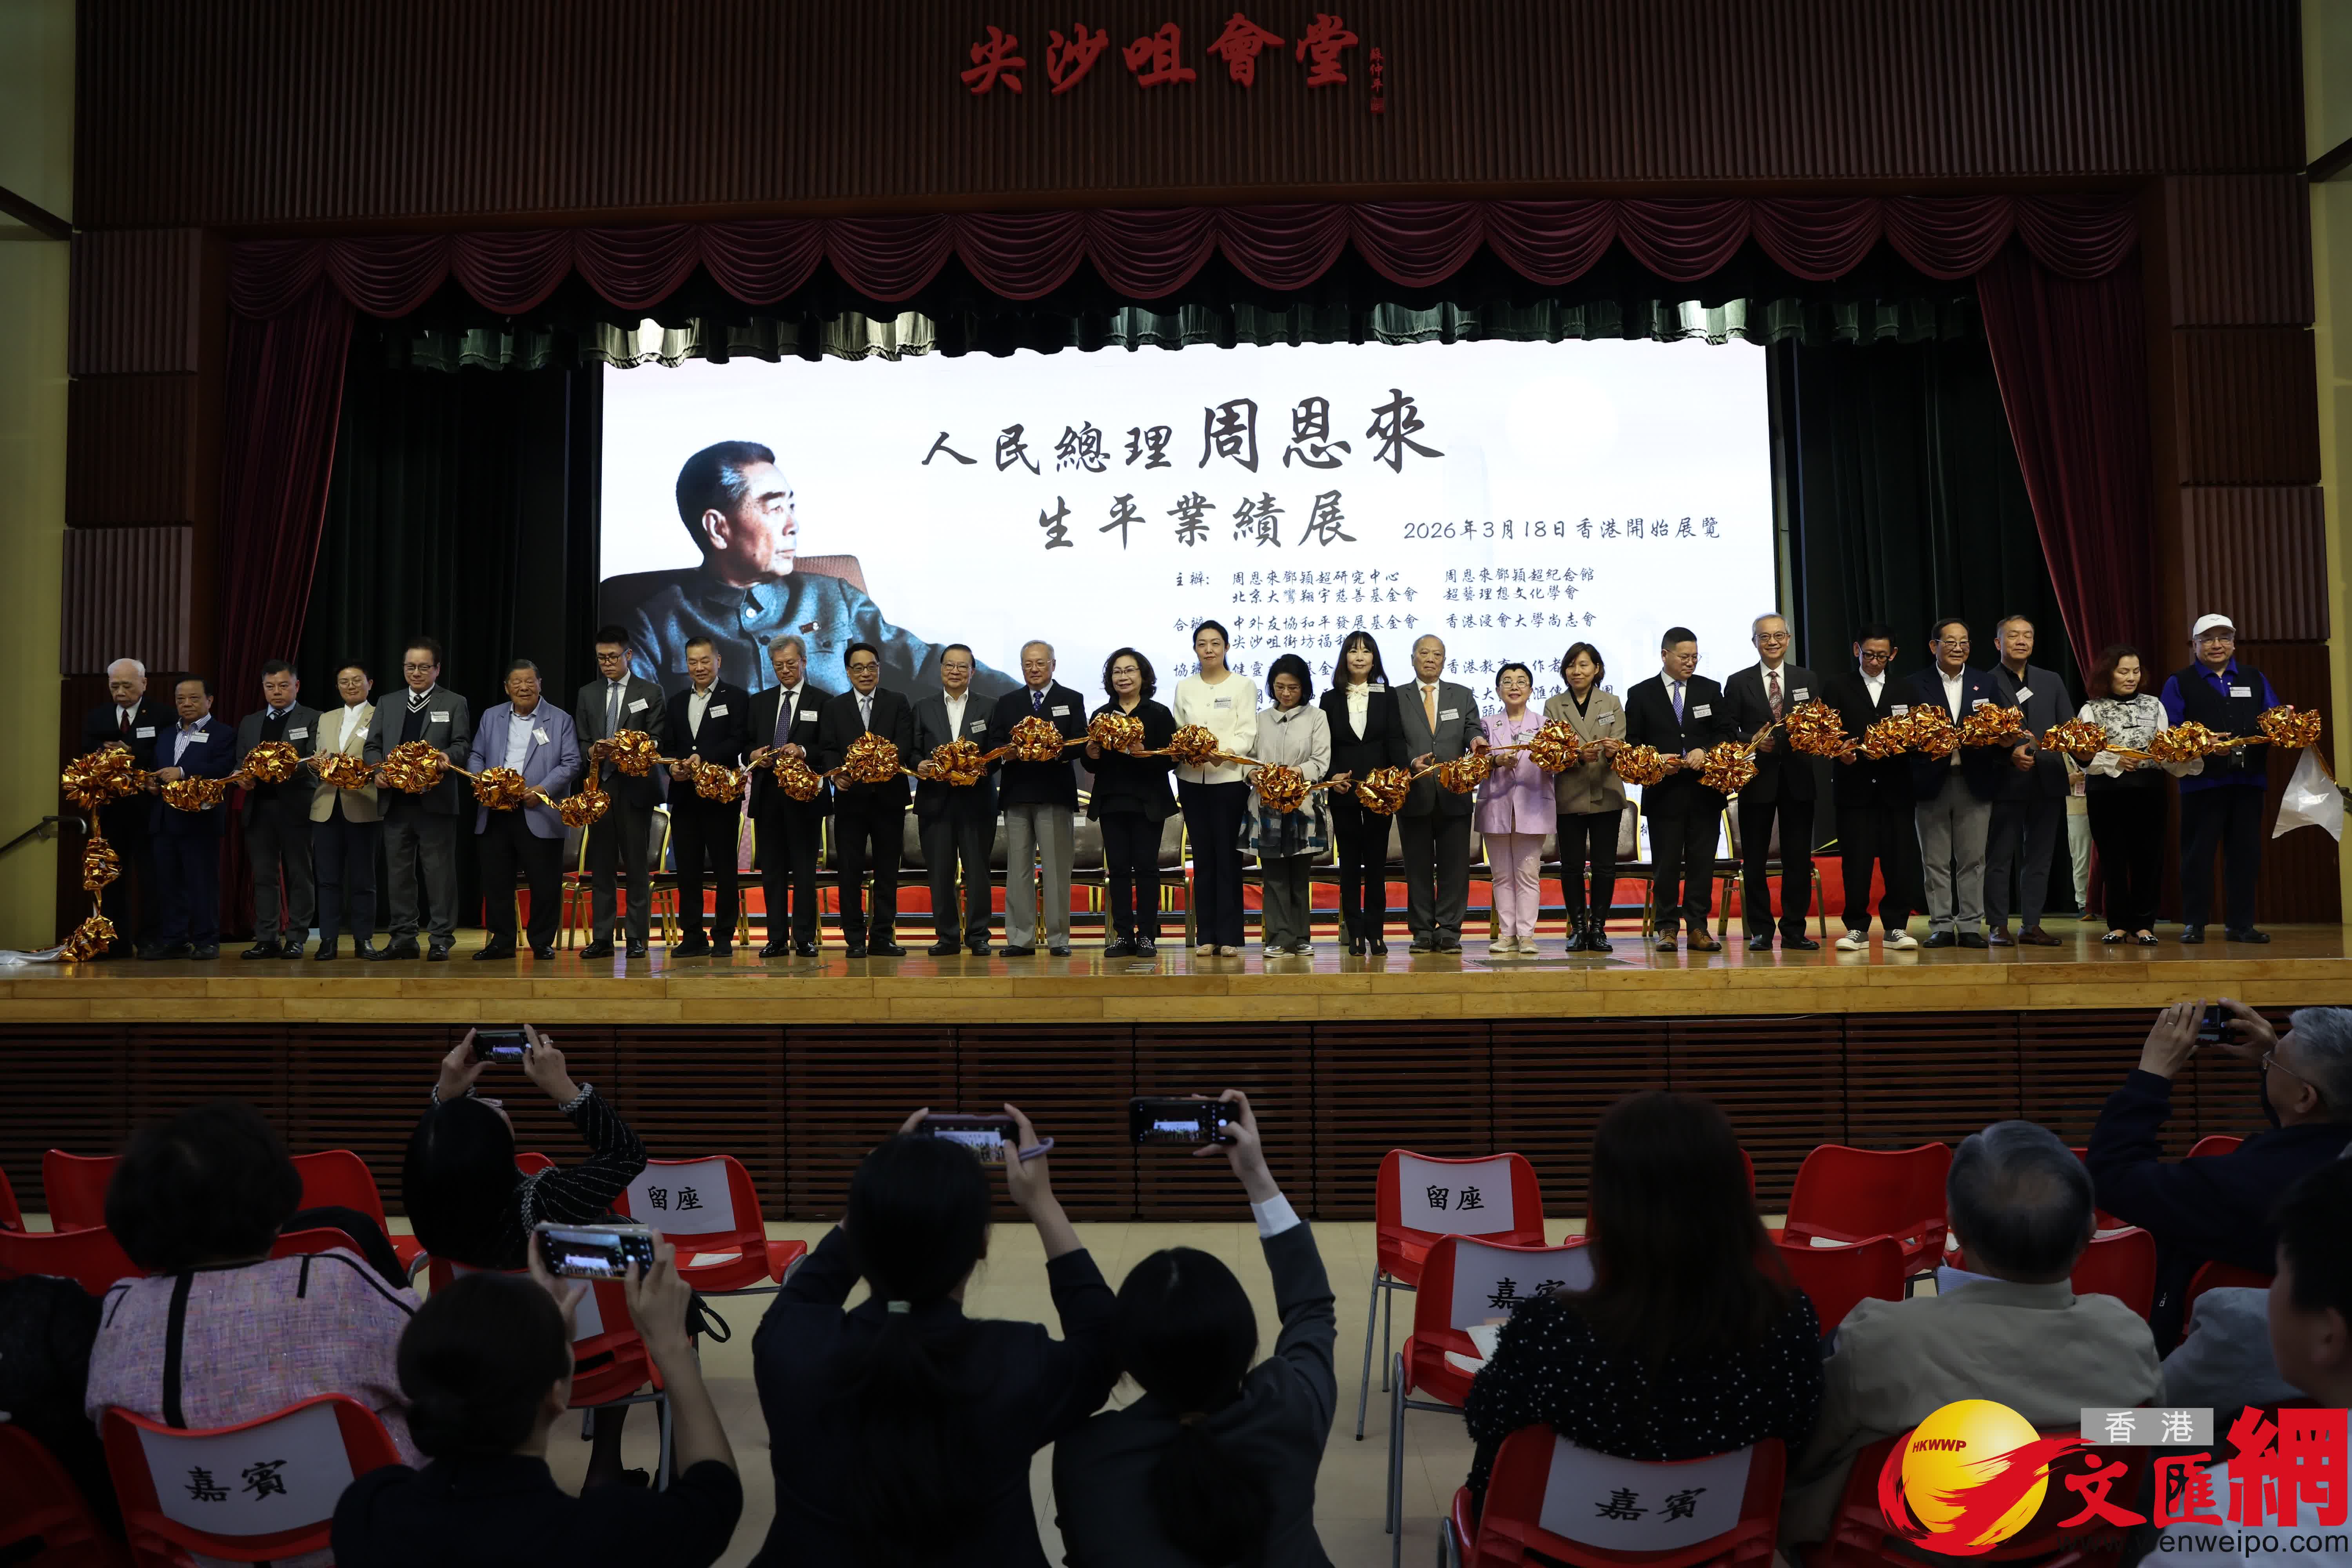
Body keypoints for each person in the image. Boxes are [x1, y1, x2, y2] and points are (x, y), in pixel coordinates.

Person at [747, 1106, 1118, 1568]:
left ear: (860, 1235)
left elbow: (809, 1290)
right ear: (982, 1246)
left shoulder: (790, 1346)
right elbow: (1104, 1344)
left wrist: (880, 1188)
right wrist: (1042, 1202)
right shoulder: (1018, 1362)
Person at [1780, 1120, 2162, 1546]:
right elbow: (2156, 1447)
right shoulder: (2128, 1339)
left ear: (1955, 1228)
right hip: (2069, 1552)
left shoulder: (1879, 1341)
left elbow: (1802, 1459)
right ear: (2089, 1231)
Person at [1461, 1092, 1822, 1519]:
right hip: (1722, 1542)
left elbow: (1485, 1423)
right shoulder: (1788, 1322)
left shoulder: (1548, 1332)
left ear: (1609, 1202)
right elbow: (1796, 1443)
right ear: (1734, 1197)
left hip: (1548, 1545)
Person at [1054, 1092, 1336, 1568]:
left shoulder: (1087, 1455)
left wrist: (1042, 1203)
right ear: (1247, 1344)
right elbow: (1311, 1308)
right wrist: (1257, 1174)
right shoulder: (1289, 1405)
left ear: (1127, 1360)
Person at [333, 1251, 742, 1568]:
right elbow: (716, 1494)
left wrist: (544, 1342)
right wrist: (671, 1347)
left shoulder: (369, 1512)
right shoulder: (609, 1534)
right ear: (556, 1395)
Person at [86, 1100, 422, 1462]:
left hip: (186, 1499)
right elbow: (432, 1371)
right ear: (277, 1207)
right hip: (357, 1494)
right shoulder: (334, 1283)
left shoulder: (121, 1312)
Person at [402, 1027, 651, 1487]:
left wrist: (444, 1099)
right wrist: (564, 1088)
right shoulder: (545, 1202)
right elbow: (626, 1154)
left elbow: (440, 1158)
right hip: (595, 1362)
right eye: (490, 1111)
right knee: (649, 1290)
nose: (497, 1105)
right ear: (495, 1151)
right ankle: (606, 1469)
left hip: (487, 1363)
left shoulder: (432, 1215)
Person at [604, 440, 1014, 698]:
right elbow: (638, 730)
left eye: (792, 506)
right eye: (774, 508)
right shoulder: (655, 625)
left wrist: (1024, 702)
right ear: (718, 528)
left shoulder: (833, 598)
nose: (793, 525)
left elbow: (924, 662)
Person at [2087, 999, 2352, 1347]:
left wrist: (2152, 1073)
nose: (2267, 1062)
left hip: (2240, 1364)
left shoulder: (2244, 1187)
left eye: (2274, 1061)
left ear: (2305, 1097)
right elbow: (2308, 1139)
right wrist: (2274, 1061)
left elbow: (2114, 1175)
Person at [2160, 613, 2281, 944]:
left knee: (2245, 855)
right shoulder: (2179, 681)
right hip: (2202, 782)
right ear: (2195, 645)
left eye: (2224, 638)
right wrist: (2201, 743)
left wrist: (2286, 725)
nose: (2217, 645)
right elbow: (2169, 731)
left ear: (2234, 643)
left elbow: (2273, 719)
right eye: (2208, 639)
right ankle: (2195, 923)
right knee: (2197, 855)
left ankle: (2241, 925)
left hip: (2248, 780)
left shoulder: (2254, 677)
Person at [1622, 627, 1734, 952]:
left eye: (1695, 657)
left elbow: (1727, 733)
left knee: (1702, 864)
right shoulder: (1641, 693)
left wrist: (1706, 752)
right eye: (1684, 657)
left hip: (1704, 793)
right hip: (1664, 794)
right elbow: (1632, 742)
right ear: (1665, 655)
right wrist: (1657, 760)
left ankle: (1698, 928)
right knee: (1666, 865)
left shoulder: (1710, 689)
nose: (1690, 663)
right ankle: (1667, 928)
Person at [364, 637, 473, 962]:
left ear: (437, 669)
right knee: (399, 876)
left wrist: (448, 756)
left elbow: (463, 745)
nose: (416, 673)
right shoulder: (388, 702)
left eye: (424, 667)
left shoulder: (453, 702)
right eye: (410, 667)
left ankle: (440, 939)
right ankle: (403, 939)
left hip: (436, 803)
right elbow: (373, 746)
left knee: (439, 875)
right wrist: (377, 772)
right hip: (396, 803)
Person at [2082, 643, 2198, 946]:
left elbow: (2165, 749)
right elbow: (2084, 757)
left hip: (2149, 791)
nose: (2131, 677)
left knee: (2149, 858)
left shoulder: (2154, 705)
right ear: (2109, 674)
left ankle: (2145, 924)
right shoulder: (2092, 708)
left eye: (2135, 671)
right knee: (2113, 860)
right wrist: (2115, 761)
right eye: (2124, 672)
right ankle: (2119, 924)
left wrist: (2187, 753)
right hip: (2106, 793)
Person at [466, 660, 582, 960]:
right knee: (497, 880)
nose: (524, 688)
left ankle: (542, 941)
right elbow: (476, 754)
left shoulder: (560, 719)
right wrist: (483, 781)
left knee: (545, 883)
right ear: (507, 688)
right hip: (495, 810)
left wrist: (542, 790)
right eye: (517, 683)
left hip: (538, 810)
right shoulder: (491, 716)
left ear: (540, 684)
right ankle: (502, 941)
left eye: (530, 681)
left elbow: (572, 763)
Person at [1721, 613, 1820, 951]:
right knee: (1755, 861)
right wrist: (1751, 740)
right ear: (1755, 642)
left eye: (1779, 636)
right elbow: (1728, 730)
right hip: (1757, 781)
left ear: (1788, 639)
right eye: (1765, 637)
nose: (1772, 642)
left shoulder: (1807, 678)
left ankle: (1794, 930)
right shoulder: (1739, 681)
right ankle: (1761, 930)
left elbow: (1819, 724)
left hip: (1798, 780)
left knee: (1798, 860)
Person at [815, 639, 919, 958]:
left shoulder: (897, 702)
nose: (865, 673)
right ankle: (855, 939)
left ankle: (883, 937)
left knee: (888, 872)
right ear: (848, 672)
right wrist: (837, 774)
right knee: (849, 871)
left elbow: (905, 743)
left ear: (879, 669)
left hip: (889, 799)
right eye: (858, 668)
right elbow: (827, 749)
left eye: (871, 667)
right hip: (851, 800)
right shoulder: (835, 707)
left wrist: (881, 764)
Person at [1819, 625, 1920, 951]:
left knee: (1899, 861)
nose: (1875, 662)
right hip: (1855, 787)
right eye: (1869, 655)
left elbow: (1919, 737)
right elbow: (1825, 733)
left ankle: (1896, 927)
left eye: (1882, 656)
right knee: (1856, 861)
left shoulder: (1906, 689)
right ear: (1856, 650)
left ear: (1893, 655)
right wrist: (1839, 750)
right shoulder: (1837, 686)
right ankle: (1856, 928)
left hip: (1896, 788)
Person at [1906, 618, 2005, 949]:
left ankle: (1970, 925)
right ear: (1934, 646)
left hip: (1974, 780)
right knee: (1934, 861)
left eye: (1964, 642)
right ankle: (1942, 926)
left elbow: (2000, 727)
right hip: (1930, 781)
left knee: (1973, 860)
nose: (1958, 648)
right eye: (1950, 642)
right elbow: (1903, 734)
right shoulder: (1914, 684)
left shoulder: (1985, 682)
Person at [574, 625, 668, 960]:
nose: (607, 664)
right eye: (602, 658)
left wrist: (630, 749)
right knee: (602, 866)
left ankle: (636, 938)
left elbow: (657, 739)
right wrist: (592, 752)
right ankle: (602, 938)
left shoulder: (651, 691)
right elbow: (581, 740)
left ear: (628, 655)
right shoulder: (588, 693)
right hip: (600, 787)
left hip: (635, 787)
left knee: (636, 867)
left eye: (613, 657)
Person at [989, 641, 1088, 957]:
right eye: (1028, 664)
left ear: (1053, 665)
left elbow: (1081, 740)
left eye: (1041, 663)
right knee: (1018, 870)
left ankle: (1058, 939)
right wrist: (1008, 752)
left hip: (1055, 793)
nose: (1034, 669)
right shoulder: (1007, 701)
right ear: (1022, 667)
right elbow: (995, 741)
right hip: (1017, 794)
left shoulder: (1071, 698)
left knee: (1057, 869)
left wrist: (1054, 749)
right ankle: (1020, 939)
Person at [1983, 615, 2074, 947]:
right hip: (2005, 780)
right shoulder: (1985, 682)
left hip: (2048, 777)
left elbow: (2068, 727)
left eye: (2028, 636)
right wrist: (2009, 754)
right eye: (2013, 636)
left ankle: (2031, 924)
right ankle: (1998, 925)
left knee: (2040, 857)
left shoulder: (2051, 680)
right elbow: (1980, 736)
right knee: (1999, 858)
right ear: (1998, 643)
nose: (2021, 641)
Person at [657, 634, 750, 957]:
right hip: (684, 797)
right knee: (688, 869)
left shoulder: (736, 697)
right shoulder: (676, 701)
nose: (699, 667)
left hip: (721, 797)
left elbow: (738, 741)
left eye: (705, 661)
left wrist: (702, 759)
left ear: (718, 661)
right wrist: (673, 767)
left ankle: (723, 935)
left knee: (725, 869)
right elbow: (669, 746)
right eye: (693, 662)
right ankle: (693, 934)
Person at [1172, 621, 1259, 959]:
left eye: (1215, 643)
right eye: (1202, 644)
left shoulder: (1243, 685)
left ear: (1226, 647)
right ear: (1195, 649)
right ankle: (1206, 934)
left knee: (1228, 859)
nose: (1209, 650)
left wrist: (1223, 753)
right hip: (1192, 781)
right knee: (1203, 859)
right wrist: (1189, 750)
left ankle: (1230, 936)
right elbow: (1180, 730)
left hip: (1229, 781)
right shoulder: (1185, 687)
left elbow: (1247, 732)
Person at [1086, 647, 1177, 958]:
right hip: (1112, 801)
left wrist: (1145, 753)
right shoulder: (1102, 715)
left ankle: (1147, 935)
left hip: (1148, 802)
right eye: (1117, 672)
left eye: (1129, 671)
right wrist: (1091, 754)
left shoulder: (1159, 714)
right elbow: (1092, 766)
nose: (1123, 677)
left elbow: (1171, 759)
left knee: (1148, 869)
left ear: (1143, 676)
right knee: (1119, 870)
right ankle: (1123, 935)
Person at [1389, 634, 1477, 954]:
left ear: (1444, 660)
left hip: (1454, 792)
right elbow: (1392, 740)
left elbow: (1472, 728)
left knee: (1456, 868)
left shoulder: (1462, 694)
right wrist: (1409, 763)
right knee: (1417, 868)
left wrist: (1477, 741)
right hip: (1415, 793)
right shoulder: (1396, 696)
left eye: (1437, 654)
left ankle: (1450, 930)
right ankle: (1423, 931)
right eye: (1424, 653)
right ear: (1413, 658)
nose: (1430, 659)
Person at [747, 634, 832, 958]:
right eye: (779, 665)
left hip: (805, 799)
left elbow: (830, 748)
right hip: (768, 796)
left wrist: (804, 751)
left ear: (804, 662)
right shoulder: (760, 702)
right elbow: (746, 743)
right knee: (773, 872)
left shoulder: (823, 701)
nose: (785, 670)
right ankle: (776, 938)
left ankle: (804, 938)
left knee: (805, 871)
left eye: (791, 663)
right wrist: (754, 755)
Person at [142, 675, 237, 960]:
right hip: (165, 820)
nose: (187, 704)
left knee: (202, 884)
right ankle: (175, 940)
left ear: (210, 701)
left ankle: (207, 940)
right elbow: (158, 768)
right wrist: (152, 783)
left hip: (200, 821)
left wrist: (182, 772)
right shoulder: (166, 734)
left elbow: (223, 768)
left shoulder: (224, 733)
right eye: (181, 699)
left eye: (194, 698)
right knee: (168, 885)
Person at [912, 642, 996, 956]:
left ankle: (978, 935)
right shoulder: (923, 706)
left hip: (977, 801)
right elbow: (912, 750)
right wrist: (919, 764)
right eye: (950, 665)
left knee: (978, 871)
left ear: (973, 672)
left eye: (963, 666)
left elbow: (998, 751)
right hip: (935, 802)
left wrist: (977, 768)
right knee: (940, 872)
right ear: (941, 670)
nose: (956, 671)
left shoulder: (990, 707)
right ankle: (947, 936)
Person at [79, 657, 167, 956]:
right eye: (114, 686)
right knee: (111, 877)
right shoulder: (98, 716)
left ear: (144, 683)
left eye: (127, 686)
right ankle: (115, 942)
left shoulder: (162, 715)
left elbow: (166, 754)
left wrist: (131, 753)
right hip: (111, 810)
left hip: (147, 809)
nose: (120, 692)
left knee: (151, 876)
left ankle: (151, 939)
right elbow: (85, 754)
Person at [1245, 654, 1331, 958]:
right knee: (1274, 876)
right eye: (1280, 687)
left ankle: (1301, 936)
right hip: (1266, 807)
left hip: (1302, 806)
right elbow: (1247, 758)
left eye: (1293, 688)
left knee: (1299, 876)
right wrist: (1252, 773)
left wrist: (1293, 773)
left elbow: (1321, 761)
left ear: (1304, 687)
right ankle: (1279, 937)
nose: (1285, 693)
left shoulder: (1317, 717)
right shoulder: (1261, 719)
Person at [1543, 642, 1625, 954]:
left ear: (1597, 669)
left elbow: (1621, 741)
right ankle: (1578, 929)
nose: (1576, 671)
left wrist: (1612, 751)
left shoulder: (1612, 702)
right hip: (1570, 794)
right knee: (1571, 866)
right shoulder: (1554, 705)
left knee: (1605, 866)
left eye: (1583, 665)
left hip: (1606, 791)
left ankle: (1599, 929)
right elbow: (1551, 750)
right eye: (1571, 665)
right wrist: (1577, 756)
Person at [233, 659, 319, 958]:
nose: (277, 692)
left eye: (284, 686)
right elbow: (241, 761)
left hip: (297, 806)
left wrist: (276, 768)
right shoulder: (250, 722)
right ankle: (267, 938)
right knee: (264, 877)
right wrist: (241, 777)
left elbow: (314, 762)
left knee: (300, 874)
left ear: (297, 686)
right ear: (263, 688)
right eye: (270, 687)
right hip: (260, 808)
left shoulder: (313, 718)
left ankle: (296, 937)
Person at [1319, 630, 1396, 955]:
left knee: (1377, 865)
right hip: (1344, 790)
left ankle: (1376, 933)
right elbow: (1324, 746)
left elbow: (1395, 741)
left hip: (1380, 792)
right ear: (1345, 658)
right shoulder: (1330, 699)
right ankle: (1354, 933)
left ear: (1374, 659)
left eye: (1366, 651)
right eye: (1353, 651)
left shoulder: (1388, 695)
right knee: (1349, 865)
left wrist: (1396, 779)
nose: (1360, 657)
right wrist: (1331, 776)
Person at [1475, 662, 1550, 956]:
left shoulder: (1545, 726)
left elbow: (1557, 765)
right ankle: (1507, 934)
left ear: (1531, 690)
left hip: (1533, 805)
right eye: (1507, 682)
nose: (1514, 687)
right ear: (1498, 691)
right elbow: (1474, 764)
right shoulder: (1485, 725)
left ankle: (1527, 935)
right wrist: (1496, 762)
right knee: (1502, 875)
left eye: (1521, 681)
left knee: (1528, 874)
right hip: (1496, 805)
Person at [309, 662, 382, 960]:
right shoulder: (326, 718)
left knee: (364, 879)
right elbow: (318, 757)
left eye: (356, 680)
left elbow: (383, 757)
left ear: (370, 684)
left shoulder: (380, 715)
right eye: (344, 682)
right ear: (337, 686)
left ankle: (364, 939)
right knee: (327, 878)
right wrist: (316, 765)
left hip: (363, 803)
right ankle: (328, 940)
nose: (350, 686)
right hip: (326, 805)